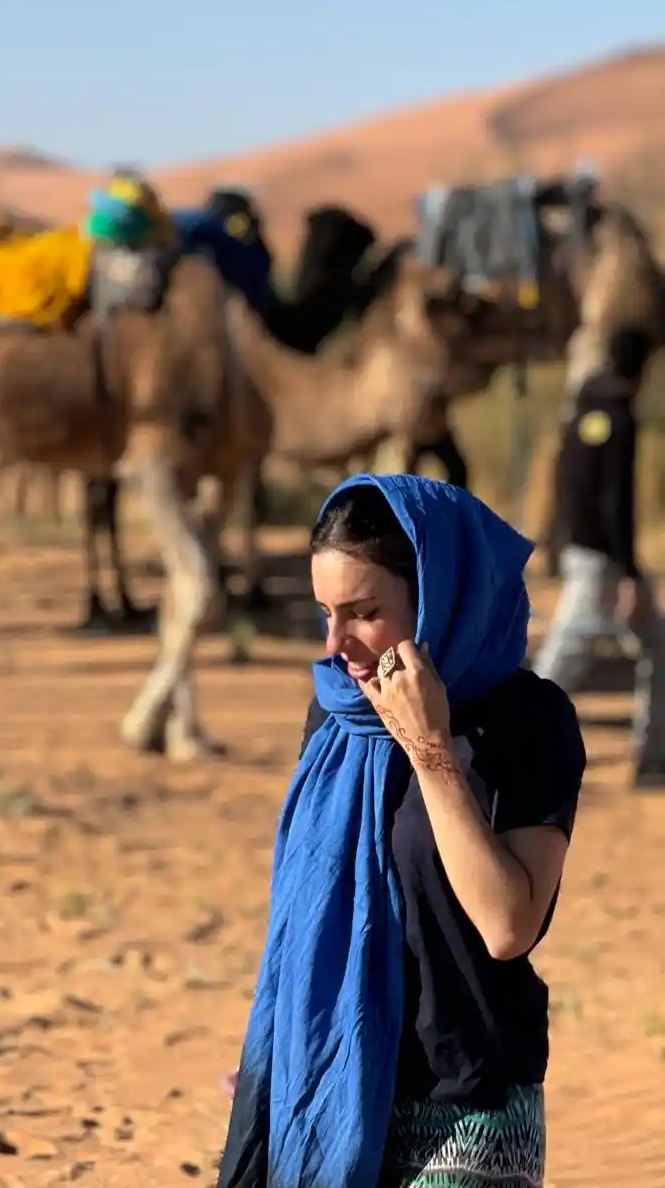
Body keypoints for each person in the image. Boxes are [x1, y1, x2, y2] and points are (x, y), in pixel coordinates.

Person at [218, 474, 586, 1188]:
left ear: (438, 595)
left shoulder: (527, 722)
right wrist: (286, 1038)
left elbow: (509, 923)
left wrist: (431, 750)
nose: (336, 644)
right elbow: (305, 911)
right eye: (325, 613)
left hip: (465, 1108)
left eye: (362, 612)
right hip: (330, 1088)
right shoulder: (336, 718)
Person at [533, 325, 665, 788]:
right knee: (563, 656)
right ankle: (511, 744)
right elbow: (616, 503)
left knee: (655, 645)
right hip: (602, 562)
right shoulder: (619, 415)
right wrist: (628, 572)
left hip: (581, 552)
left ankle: (654, 758)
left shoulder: (581, 411)